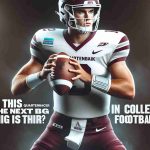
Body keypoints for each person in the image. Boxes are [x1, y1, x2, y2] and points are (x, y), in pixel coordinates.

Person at [11, 0, 135, 150]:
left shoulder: (111, 41)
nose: (88, 16)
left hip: (100, 129)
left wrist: (90, 79)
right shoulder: (46, 39)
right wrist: (41, 75)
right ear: (65, 12)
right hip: (59, 127)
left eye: (91, 11)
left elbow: (129, 90)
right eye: (81, 11)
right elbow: (16, 87)